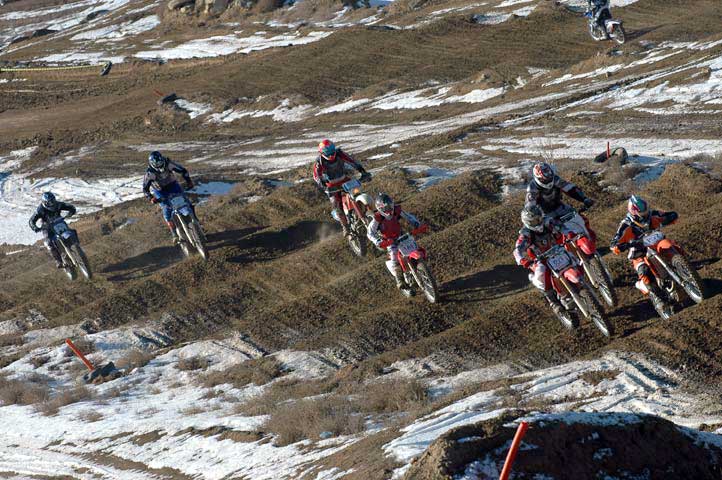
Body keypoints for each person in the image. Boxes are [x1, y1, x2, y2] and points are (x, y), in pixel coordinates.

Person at [610, 195, 678, 295]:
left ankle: (684, 268)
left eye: (646, 210)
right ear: (634, 212)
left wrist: (671, 216)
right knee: (644, 272)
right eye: (643, 212)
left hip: (657, 243)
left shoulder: (652, 214)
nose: (646, 214)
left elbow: (668, 215)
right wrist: (616, 246)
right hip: (638, 252)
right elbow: (616, 239)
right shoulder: (626, 224)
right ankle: (660, 300)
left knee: (673, 246)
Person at [513, 205, 568, 315]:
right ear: (528, 222)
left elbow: (562, 226)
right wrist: (524, 261)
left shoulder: (548, 222)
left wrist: (568, 232)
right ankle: (554, 302)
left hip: (558, 250)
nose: (538, 222)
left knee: (573, 256)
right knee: (543, 272)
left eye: (539, 218)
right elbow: (517, 250)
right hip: (541, 259)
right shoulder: (526, 234)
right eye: (535, 221)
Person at [367, 193, 426, 295]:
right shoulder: (377, 218)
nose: (389, 210)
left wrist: (416, 224)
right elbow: (370, 233)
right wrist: (378, 241)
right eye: (385, 208)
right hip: (388, 241)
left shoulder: (397, 211)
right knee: (394, 256)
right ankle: (400, 281)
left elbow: (409, 217)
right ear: (380, 209)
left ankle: (421, 265)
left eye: (390, 206)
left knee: (414, 246)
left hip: (401, 235)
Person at [313, 139, 371, 236]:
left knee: (357, 192)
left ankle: (365, 209)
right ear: (322, 153)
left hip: (344, 179)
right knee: (337, 205)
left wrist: (362, 171)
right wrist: (322, 183)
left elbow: (352, 161)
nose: (331, 155)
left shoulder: (339, 153)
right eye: (328, 153)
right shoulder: (320, 162)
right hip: (331, 184)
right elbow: (316, 175)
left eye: (332, 152)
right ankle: (345, 226)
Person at [525, 162, 595, 241]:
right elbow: (530, 207)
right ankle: (563, 250)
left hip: (560, 207)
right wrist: (538, 220)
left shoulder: (555, 179)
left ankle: (589, 239)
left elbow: (570, 188)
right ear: (538, 178)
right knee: (553, 234)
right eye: (545, 178)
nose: (548, 180)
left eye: (549, 176)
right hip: (545, 214)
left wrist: (584, 199)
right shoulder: (532, 188)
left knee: (582, 219)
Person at [142, 151, 194, 244]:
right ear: (152, 164)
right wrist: (151, 198)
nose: (159, 164)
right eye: (157, 163)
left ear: (162, 159)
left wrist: (189, 181)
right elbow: (145, 189)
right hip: (160, 191)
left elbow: (183, 170)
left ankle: (196, 222)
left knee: (187, 202)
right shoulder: (149, 174)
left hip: (173, 185)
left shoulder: (168, 163)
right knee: (166, 209)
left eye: (160, 161)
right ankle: (174, 234)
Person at [29, 192, 77, 268]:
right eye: (50, 202)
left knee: (72, 231)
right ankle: (58, 261)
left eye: (53, 201)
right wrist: (35, 227)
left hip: (59, 222)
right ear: (45, 202)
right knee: (49, 243)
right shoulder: (40, 210)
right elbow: (31, 220)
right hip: (47, 227)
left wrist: (71, 212)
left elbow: (70, 206)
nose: (52, 203)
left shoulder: (58, 204)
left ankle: (77, 246)